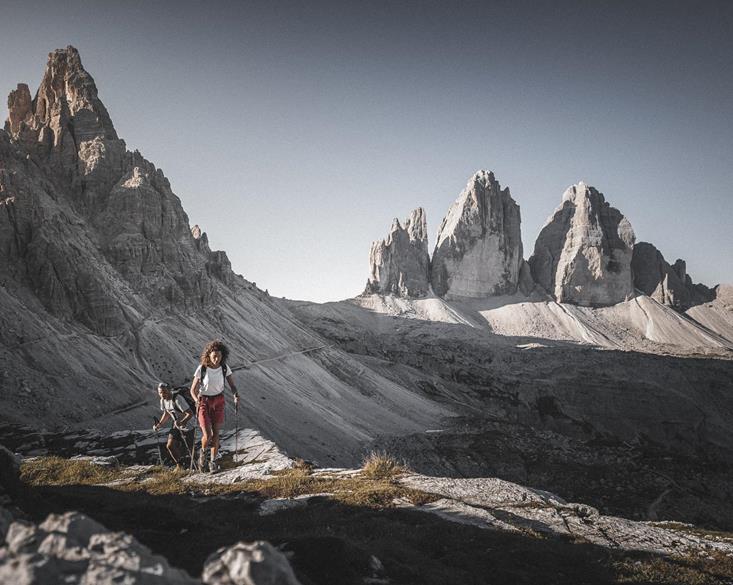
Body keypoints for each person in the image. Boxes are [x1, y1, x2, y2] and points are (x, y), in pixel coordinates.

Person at [190, 340, 239, 473]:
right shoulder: (202, 368)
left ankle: (212, 462)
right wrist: (196, 400)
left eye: (219, 356)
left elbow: (232, 385)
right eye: (214, 356)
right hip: (204, 402)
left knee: (216, 433)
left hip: (219, 400)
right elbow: (192, 389)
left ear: (223, 356)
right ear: (208, 355)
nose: (217, 359)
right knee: (208, 434)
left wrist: (235, 394)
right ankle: (202, 455)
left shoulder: (224, 368)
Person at [153, 382, 194, 470]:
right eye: (160, 392)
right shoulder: (163, 400)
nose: (162, 394)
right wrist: (159, 424)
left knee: (189, 449)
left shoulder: (178, 399)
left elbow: (190, 413)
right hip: (176, 425)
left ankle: (195, 466)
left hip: (188, 425)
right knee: (170, 445)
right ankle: (179, 466)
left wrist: (183, 422)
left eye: (164, 392)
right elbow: (167, 413)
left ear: (169, 391)